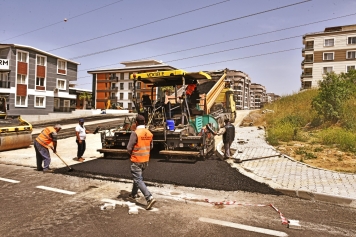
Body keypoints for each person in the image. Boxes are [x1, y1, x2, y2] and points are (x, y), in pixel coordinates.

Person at [126, 114, 156, 210]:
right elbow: (151, 147)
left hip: (136, 160)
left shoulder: (135, 133)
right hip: (145, 160)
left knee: (138, 179)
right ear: (145, 122)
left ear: (136, 123)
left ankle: (149, 198)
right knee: (138, 177)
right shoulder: (149, 133)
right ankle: (134, 194)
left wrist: (131, 154)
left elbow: (129, 148)